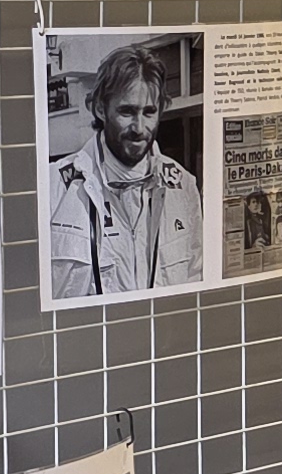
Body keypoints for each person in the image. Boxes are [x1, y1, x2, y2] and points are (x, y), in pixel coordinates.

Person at [45, 41, 201, 300]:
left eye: (149, 112)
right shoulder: (54, 187)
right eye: (127, 112)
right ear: (100, 109)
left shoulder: (183, 186)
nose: (139, 128)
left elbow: (196, 278)